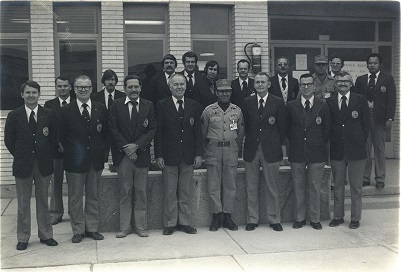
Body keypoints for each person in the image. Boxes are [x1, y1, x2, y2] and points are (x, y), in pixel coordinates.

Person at [4, 80, 58, 250]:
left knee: (43, 201)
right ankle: (23, 237)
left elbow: (53, 139)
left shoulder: (48, 114)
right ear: (22, 95)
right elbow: (9, 141)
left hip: (43, 164)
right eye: (27, 92)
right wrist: (21, 155)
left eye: (34, 92)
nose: (31, 96)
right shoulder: (14, 115)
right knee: (23, 202)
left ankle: (46, 234)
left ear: (39, 95)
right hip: (23, 164)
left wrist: (43, 154)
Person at [59, 75, 108, 243]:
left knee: (93, 195)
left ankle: (92, 228)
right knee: (75, 197)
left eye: (86, 87)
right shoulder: (66, 110)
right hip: (74, 161)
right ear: (74, 89)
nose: (83, 90)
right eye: (80, 87)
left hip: (95, 160)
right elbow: (61, 136)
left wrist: (103, 155)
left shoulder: (101, 108)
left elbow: (105, 135)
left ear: (91, 89)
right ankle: (78, 230)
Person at [109, 75, 157, 238]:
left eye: (136, 87)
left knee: (141, 192)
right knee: (125, 192)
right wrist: (127, 148)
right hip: (123, 157)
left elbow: (152, 129)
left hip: (141, 156)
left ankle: (140, 226)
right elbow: (113, 129)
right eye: (130, 87)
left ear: (140, 88)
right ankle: (124, 227)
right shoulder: (116, 106)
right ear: (125, 89)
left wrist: (136, 146)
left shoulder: (148, 105)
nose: (133, 90)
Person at [155, 73, 203, 235]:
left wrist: (198, 154)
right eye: (176, 84)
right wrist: (159, 155)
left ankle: (184, 222)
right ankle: (170, 223)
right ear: (170, 87)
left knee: (185, 191)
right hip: (169, 156)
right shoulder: (161, 105)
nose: (179, 87)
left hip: (188, 155)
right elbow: (158, 133)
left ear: (186, 86)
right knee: (170, 190)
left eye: (182, 84)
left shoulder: (193, 105)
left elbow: (197, 132)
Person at [242, 72, 286, 232]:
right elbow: (244, 125)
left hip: (271, 149)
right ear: (254, 85)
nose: (260, 84)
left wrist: (276, 144)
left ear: (269, 84)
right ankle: (252, 219)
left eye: (263, 82)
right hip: (252, 149)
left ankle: (274, 219)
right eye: (257, 82)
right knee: (251, 186)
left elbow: (282, 128)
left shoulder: (278, 102)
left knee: (272, 186)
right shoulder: (247, 102)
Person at [286, 73, 331, 230]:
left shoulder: (323, 105)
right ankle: (299, 218)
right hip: (297, 150)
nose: (306, 87)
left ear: (314, 86)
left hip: (317, 151)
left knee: (315, 186)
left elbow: (327, 130)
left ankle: (315, 219)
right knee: (298, 185)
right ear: (299, 86)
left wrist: (317, 142)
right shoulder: (291, 105)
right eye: (303, 84)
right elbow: (287, 130)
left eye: (309, 84)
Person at [327, 71, 370, 229]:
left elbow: (366, 126)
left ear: (351, 84)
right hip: (337, 149)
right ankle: (338, 216)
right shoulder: (330, 101)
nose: (342, 84)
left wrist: (358, 141)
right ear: (335, 84)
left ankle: (355, 218)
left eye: (346, 81)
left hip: (356, 151)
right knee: (337, 186)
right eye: (339, 81)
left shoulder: (360, 100)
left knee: (356, 187)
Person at [201, 79, 245, 232]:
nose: (224, 93)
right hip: (214, 150)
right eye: (221, 91)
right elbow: (203, 132)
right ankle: (216, 216)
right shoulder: (208, 110)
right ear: (216, 92)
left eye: (227, 91)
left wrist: (235, 145)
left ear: (231, 92)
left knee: (230, 185)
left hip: (231, 150)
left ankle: (227, 216)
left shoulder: (237, 110)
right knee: (213, 184)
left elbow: (240, 132)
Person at [354, 53, 396, 189]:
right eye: (370, 63)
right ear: (367, 64)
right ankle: (365, 177)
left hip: (379, 119)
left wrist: (390, 118)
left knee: (379, 149)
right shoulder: (360, 80)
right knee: (365, 149)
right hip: (364, 119)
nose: (372, 65)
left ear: (380, 64)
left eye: (375, 63)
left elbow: (391, 100)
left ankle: (380, 178)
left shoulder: (387, 79)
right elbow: (356, 101)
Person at [44, 76, 74, 225]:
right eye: (59, 86)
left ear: (70, 87)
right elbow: (47, 127)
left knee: (74, 183)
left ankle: (73, 212)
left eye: (65, 86)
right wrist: (56, 143)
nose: (62, 89)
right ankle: (56, 213)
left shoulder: (76, 103)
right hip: (55, 151)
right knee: (56, 182)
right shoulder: (49, 105)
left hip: (73, 151)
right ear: (56, 88)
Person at [91, 69, 126, 164]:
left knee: (120, 162)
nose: (110, 82)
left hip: (118, 134)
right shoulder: (94, 97)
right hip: (102, 135)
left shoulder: (123, 96)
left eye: (112, 79)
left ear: (116, 81)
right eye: (107, 80)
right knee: (101, 161)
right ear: (104, 81)